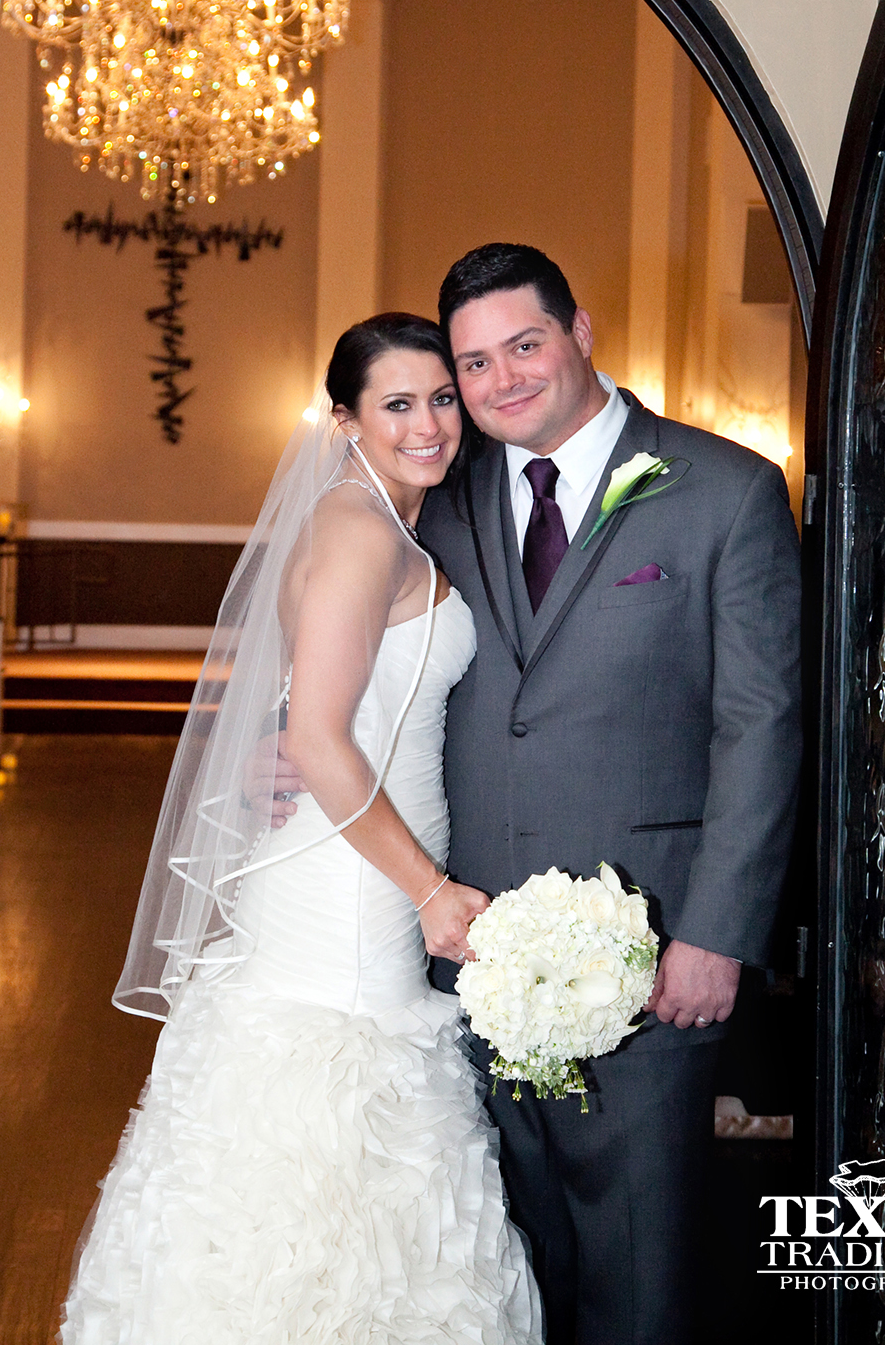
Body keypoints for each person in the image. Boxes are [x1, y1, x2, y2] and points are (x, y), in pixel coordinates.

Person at [271, 243, 802, 1343]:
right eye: (473, 363)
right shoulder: (434, 491)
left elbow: (761, 727)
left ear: (581, 332)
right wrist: (291, 746)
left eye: (525, 345)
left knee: (640, 1278)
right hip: (455, 956)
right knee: (494, 1272)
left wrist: (717, 933)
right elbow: (343, 651)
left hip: (651, 951)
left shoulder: (726, 489)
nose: (500, 379)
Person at [59, 313, 542, 1344]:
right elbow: (320, 740)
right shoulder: (362, 531)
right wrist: (429, 890)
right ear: (345, 420)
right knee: (339, 1136)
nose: (428, 424)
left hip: (341, 863)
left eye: (441, 398)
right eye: (397, 404)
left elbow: (316, 721)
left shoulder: (375, 521)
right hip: (352, 887)